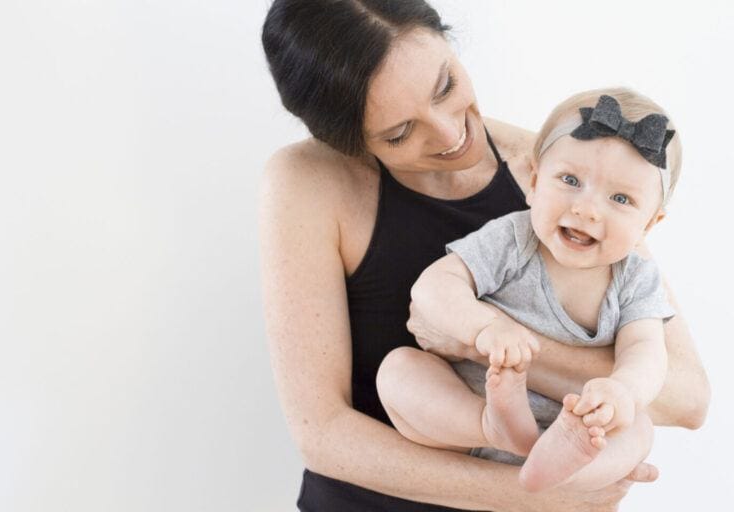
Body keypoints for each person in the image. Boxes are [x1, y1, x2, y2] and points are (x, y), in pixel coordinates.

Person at [259, 1, 710, 510]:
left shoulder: (568, 169)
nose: (452, 134)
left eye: (446, 86)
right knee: (402, 372)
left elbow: (686, 398)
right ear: (344, 142)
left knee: (636, 427)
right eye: (400, 133)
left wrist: (487, 345)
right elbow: (321, 436)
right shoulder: (310, 182)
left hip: (551, 449)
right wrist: (538, 497)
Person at [377, 89, 681, 494]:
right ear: (535, 183)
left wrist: (622, 391)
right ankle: (494, 427)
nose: (587, 209)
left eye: (621, 199)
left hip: (578, 419)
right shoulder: (514, 238)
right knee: (398, 370)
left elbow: (647, 352)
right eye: (570, 180)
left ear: (648, 225)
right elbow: (434, 287)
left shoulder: (636, 278)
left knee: (638, 428)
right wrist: (485, 328)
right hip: (474, 404)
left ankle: (565, 466)